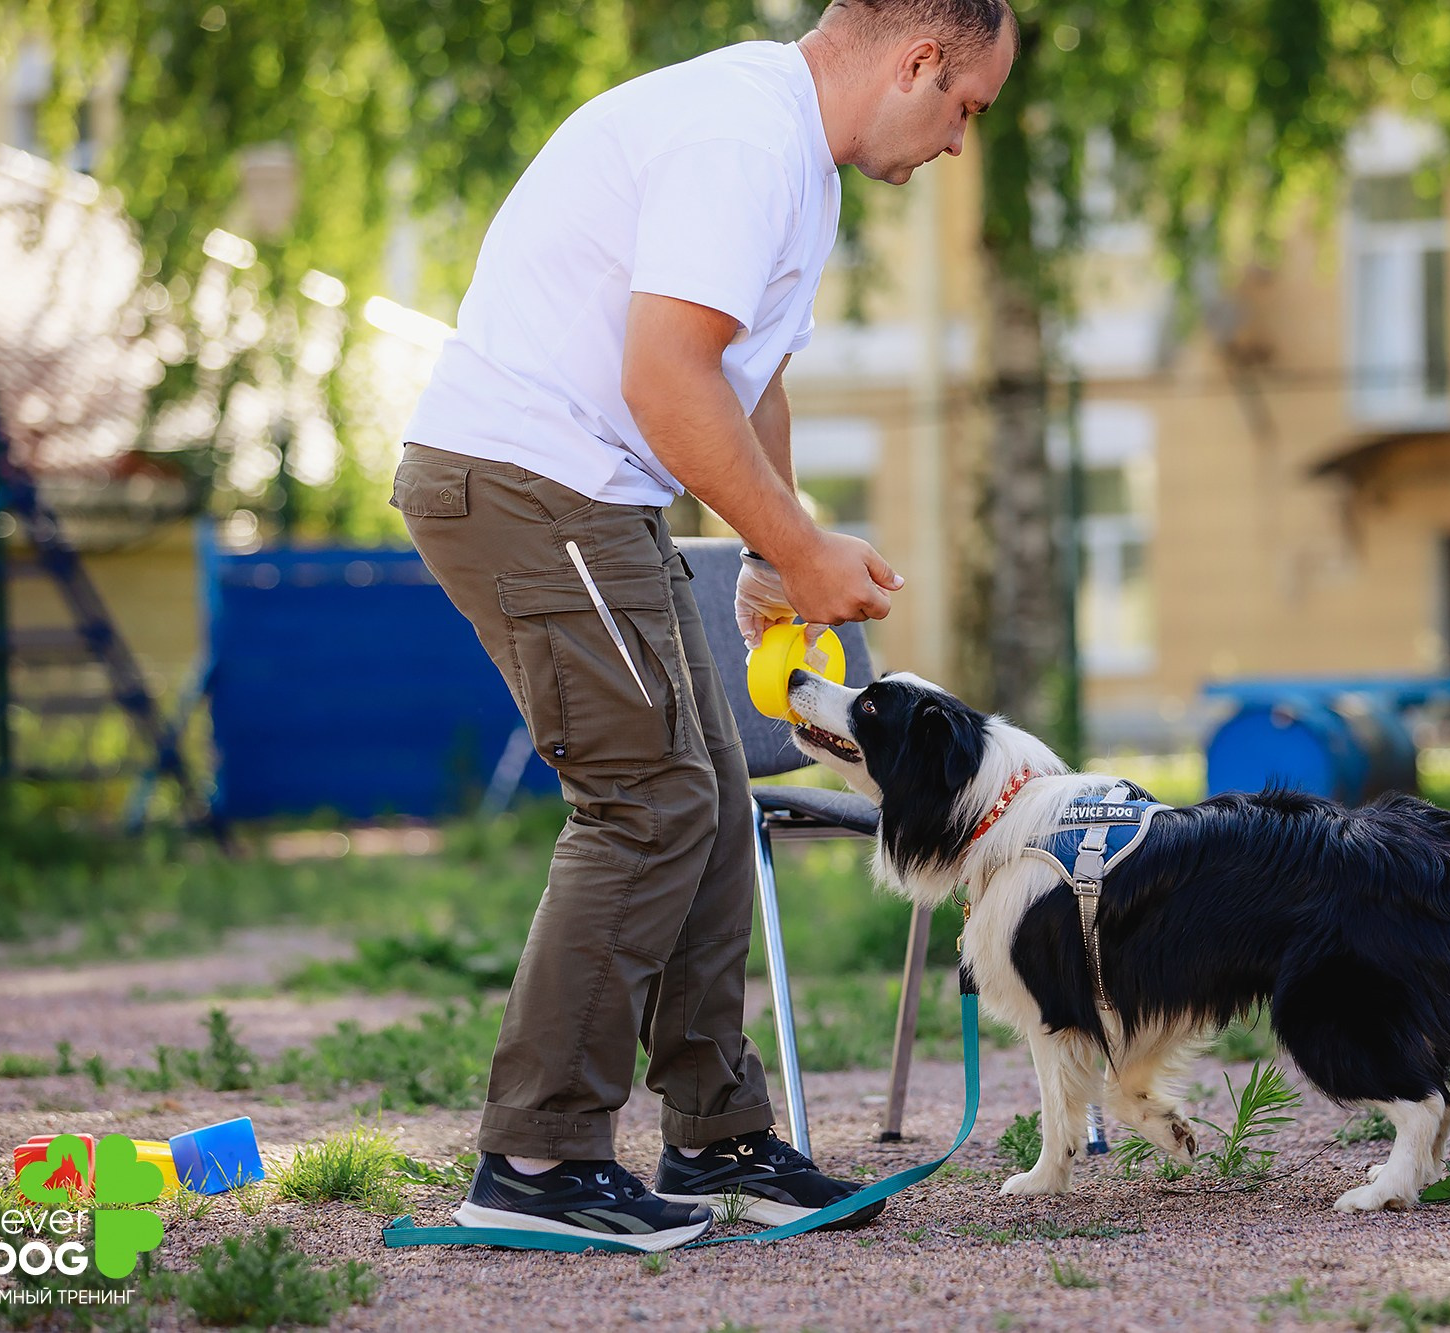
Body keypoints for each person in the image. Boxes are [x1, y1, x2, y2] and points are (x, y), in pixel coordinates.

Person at [391, 0, 1018, 1252]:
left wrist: (771, 561)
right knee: (646, 798)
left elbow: (745, 371)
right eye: (966, 109)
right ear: (918, 60)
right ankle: (536, 1157)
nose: (959, 143)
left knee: (709, 790)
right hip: (530, 480)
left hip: (592, 493)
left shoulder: (791, 152)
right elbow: (662, 375)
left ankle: (714, 1135)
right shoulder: (741, 135)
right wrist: (796, 546)